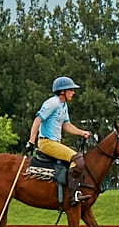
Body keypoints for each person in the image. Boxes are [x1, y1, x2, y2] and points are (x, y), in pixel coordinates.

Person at [32, 76, 96, 207]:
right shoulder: (52, 103)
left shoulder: (63, 105)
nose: (73, 92)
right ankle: (72, 196)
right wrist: (31, 141)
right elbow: (37, 120)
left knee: (75, 159)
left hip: (56, 143)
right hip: (47, 143)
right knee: (78, 160)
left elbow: (66, 125)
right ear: (63, 91)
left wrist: (82, 132)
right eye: (71, 90)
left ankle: (68, 191)